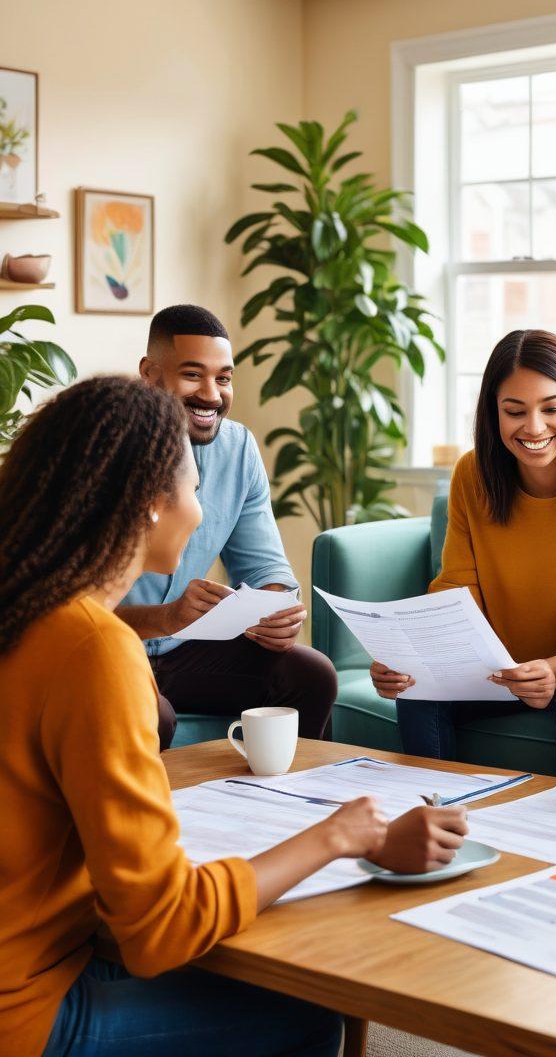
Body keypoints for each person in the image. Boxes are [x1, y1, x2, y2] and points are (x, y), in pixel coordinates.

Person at [0, 376, 468, 1057]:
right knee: (308, 1014)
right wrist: (338, 837)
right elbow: (158, 931)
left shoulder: (28, 614)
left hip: (41, 947)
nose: (199, 509)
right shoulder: (95, 649)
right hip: (25, 1013)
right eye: (193, 489)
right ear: (150, 504)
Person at [370, 328, 556, 769]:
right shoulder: (472, 475)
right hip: (507, 669)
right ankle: (432, 807)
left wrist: (555, 669)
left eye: (552, 408)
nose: (534, 427)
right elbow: (457, 593)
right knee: (418, 690)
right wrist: (410, 659)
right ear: (493, 413)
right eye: (515, 411)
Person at [117, 305, 337, 750]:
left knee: (311, 675)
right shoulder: (102, 451)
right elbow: (66, 613)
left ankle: (288, 791)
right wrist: (164, 618)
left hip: (185, 651)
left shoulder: (238, 449)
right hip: (113, 646)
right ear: (150, 374)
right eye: (193, 375)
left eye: (223, 378)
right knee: (152, 714)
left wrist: (275, 610)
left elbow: (264, 567)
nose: (212, 395)